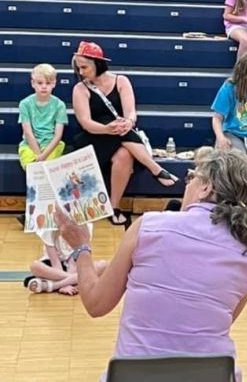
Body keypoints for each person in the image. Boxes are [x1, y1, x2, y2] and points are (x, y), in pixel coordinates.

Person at [56, 147, 247, 382]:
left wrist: (81, 247)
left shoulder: (149, 226)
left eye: (192, 177)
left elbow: (96, 304)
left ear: (206, 188)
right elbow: (214, 321)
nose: (187, 185)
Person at [71, 41, 178, 227]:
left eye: (85, 67)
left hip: (121, 136)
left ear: (97, 63)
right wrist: (107, 128)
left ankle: (114, 207)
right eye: (78, 68)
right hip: (94, 137)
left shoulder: (121, 81)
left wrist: (127, 123)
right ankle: (155, 168)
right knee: (110, 124)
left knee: (124, 153)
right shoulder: (80, 89)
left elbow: (131, 113)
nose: (81, 72)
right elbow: (86, 123)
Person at [16, 63, 68, 226]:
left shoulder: (59, 105)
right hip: (30, 145)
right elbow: (28, 131)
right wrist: (38, 155)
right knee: (35, 170)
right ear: (32, 83)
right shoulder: (25, 104)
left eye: (48, 83)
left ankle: (37, 213)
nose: (44, 87)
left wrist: (44, 156)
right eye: (40, 83)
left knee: (47, 170)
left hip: (51, 145)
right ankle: (39, 212)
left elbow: (58, 135)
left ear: (54, 84)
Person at [25, 224, 107, 296]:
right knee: (35, 266)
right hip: (54, 268)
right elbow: (55, 262)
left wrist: (64, 283)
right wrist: (66, 285)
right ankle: (75, 281)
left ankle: (53, 285)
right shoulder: (48, 229)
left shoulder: (84, 227)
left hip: (74, 267)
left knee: (103, 265)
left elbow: (74, 262)